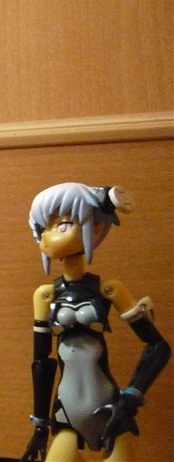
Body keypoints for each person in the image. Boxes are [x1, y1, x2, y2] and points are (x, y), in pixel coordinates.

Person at [20, 182, 171, 461]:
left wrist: (132, 396)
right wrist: (40, 425)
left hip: (111, 407)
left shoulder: (108, 290)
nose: (48, 237)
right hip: (66, 409)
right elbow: (42, 362)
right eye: (42, 230)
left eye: (62, 225)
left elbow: (158, 347)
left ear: (97, 228)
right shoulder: (45, 295)